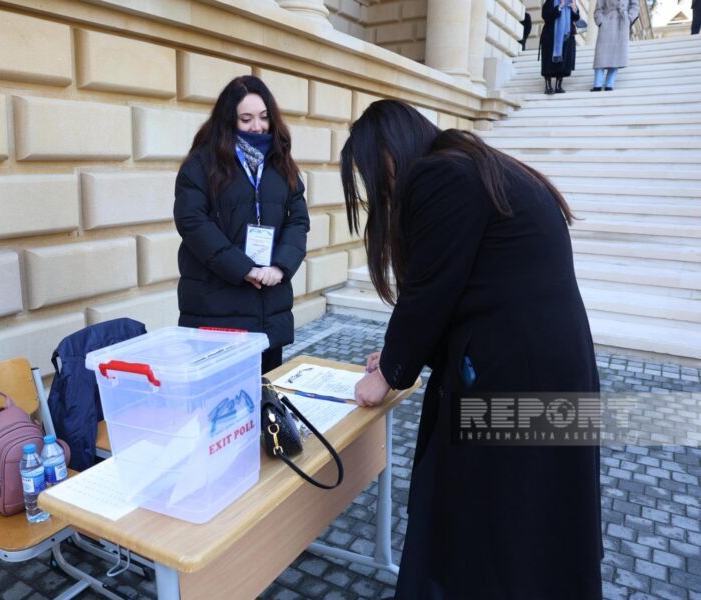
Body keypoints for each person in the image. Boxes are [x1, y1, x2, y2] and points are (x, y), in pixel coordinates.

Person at [340, 100, 602, 599]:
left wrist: (387, 375)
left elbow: (430, 293)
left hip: (514, 377)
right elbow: (465, 288)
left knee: (483, 523)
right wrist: (397, 359)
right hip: (548, 367)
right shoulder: (472, 165)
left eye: (377, 173)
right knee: (535, 521)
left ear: (392, 152)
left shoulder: (440, 174)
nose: (383, 189)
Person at [174, 76, 309, 373]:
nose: (257, 127)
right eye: (246, 119)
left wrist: (280, 267)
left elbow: (298, 220)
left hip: (269, 310)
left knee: (264, 403)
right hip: (217, 313)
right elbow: (192, 222)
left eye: (263, 118)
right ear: (227, 120)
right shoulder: (201, 165)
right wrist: (242, 268)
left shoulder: (281, 163)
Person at [591, 0, 640, 91]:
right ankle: (597, 84)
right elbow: (598, 8)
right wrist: (601, 22)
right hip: (607, 21)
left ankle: (609, 84)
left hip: (622, 22)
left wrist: (629, 19)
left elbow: (635, 6)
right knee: (600, 55)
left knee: (616, 55)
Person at [540, 0, 581, 94]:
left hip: (566, 38)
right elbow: (545, 16)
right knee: (548, 63)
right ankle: (548, 86)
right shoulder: (550, 2)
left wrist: (574, 8)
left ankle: (558, 86)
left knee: (563, 62)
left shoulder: (571, 2)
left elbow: (576, 17)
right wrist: (560, 6)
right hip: (551, 38)